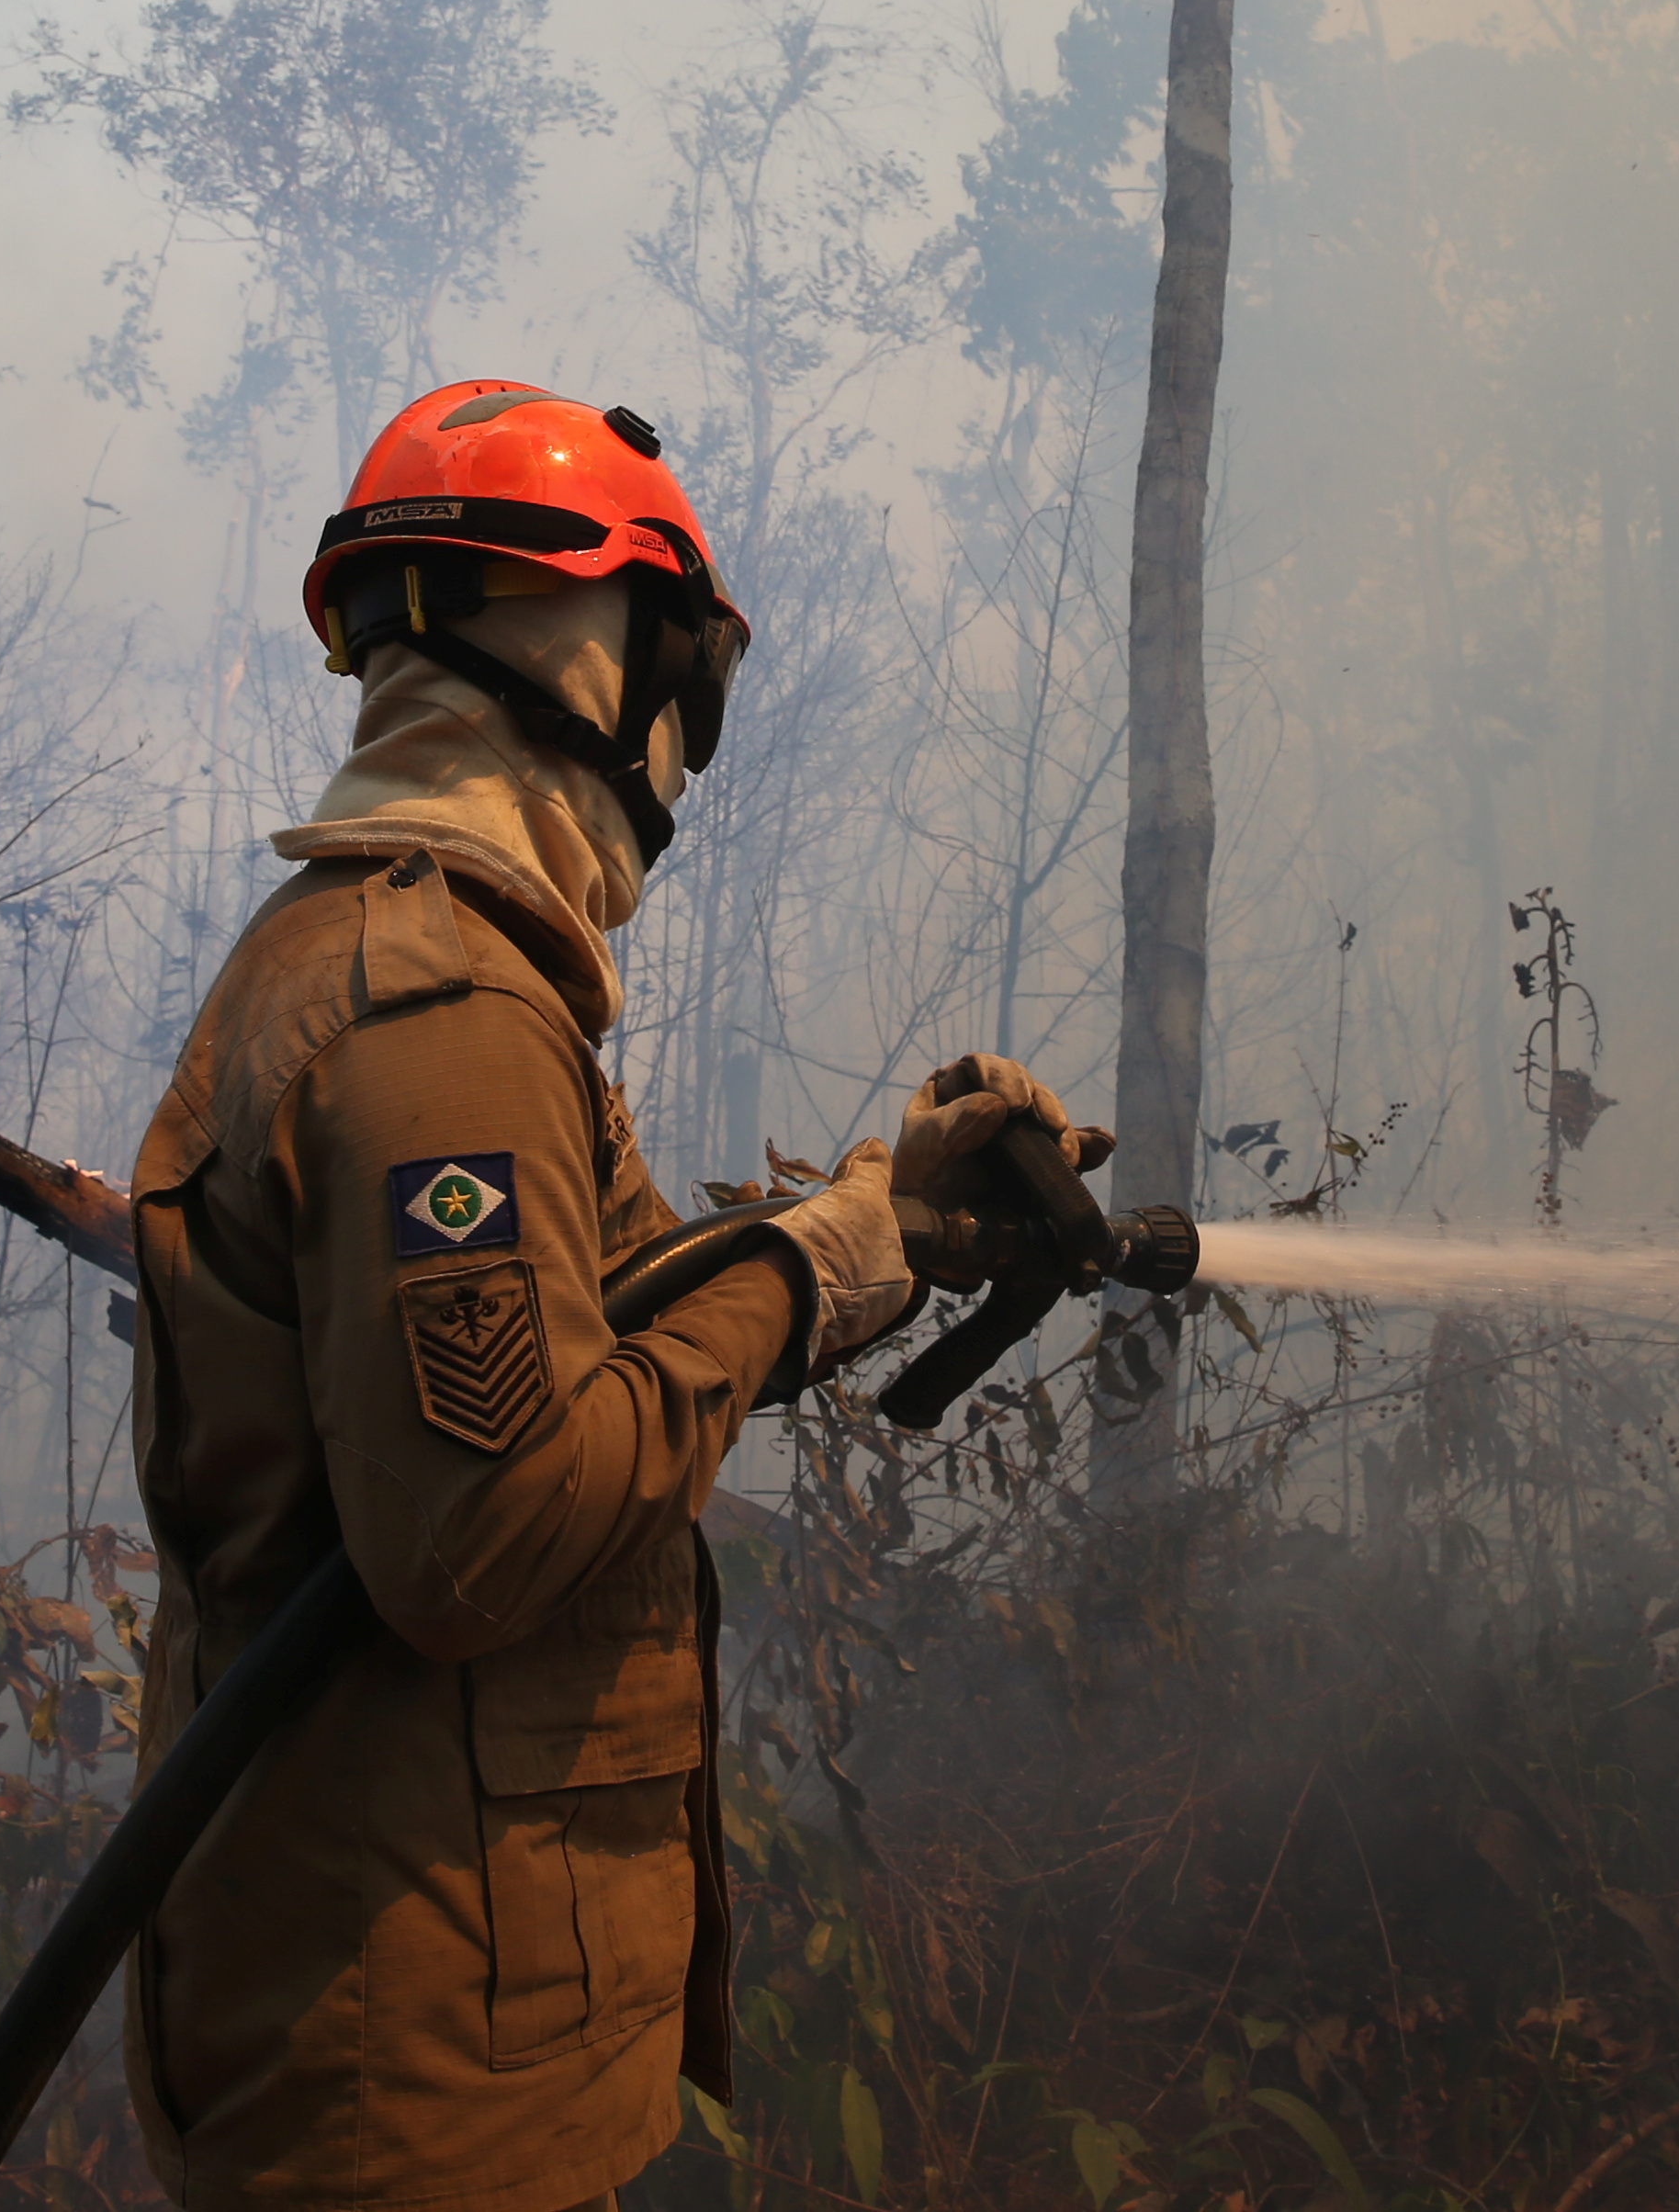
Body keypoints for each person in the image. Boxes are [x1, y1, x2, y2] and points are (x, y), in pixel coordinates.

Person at [116, 378, 1098, 2212]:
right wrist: (821, 1262)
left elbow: (636, 1302)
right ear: (581, 659)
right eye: (684, 684)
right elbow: (487, 1531)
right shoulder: (448, 1023)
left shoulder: (381, 959)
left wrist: (892, 1226)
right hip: (425, 2076)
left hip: (417, 2013)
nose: (678, 745)